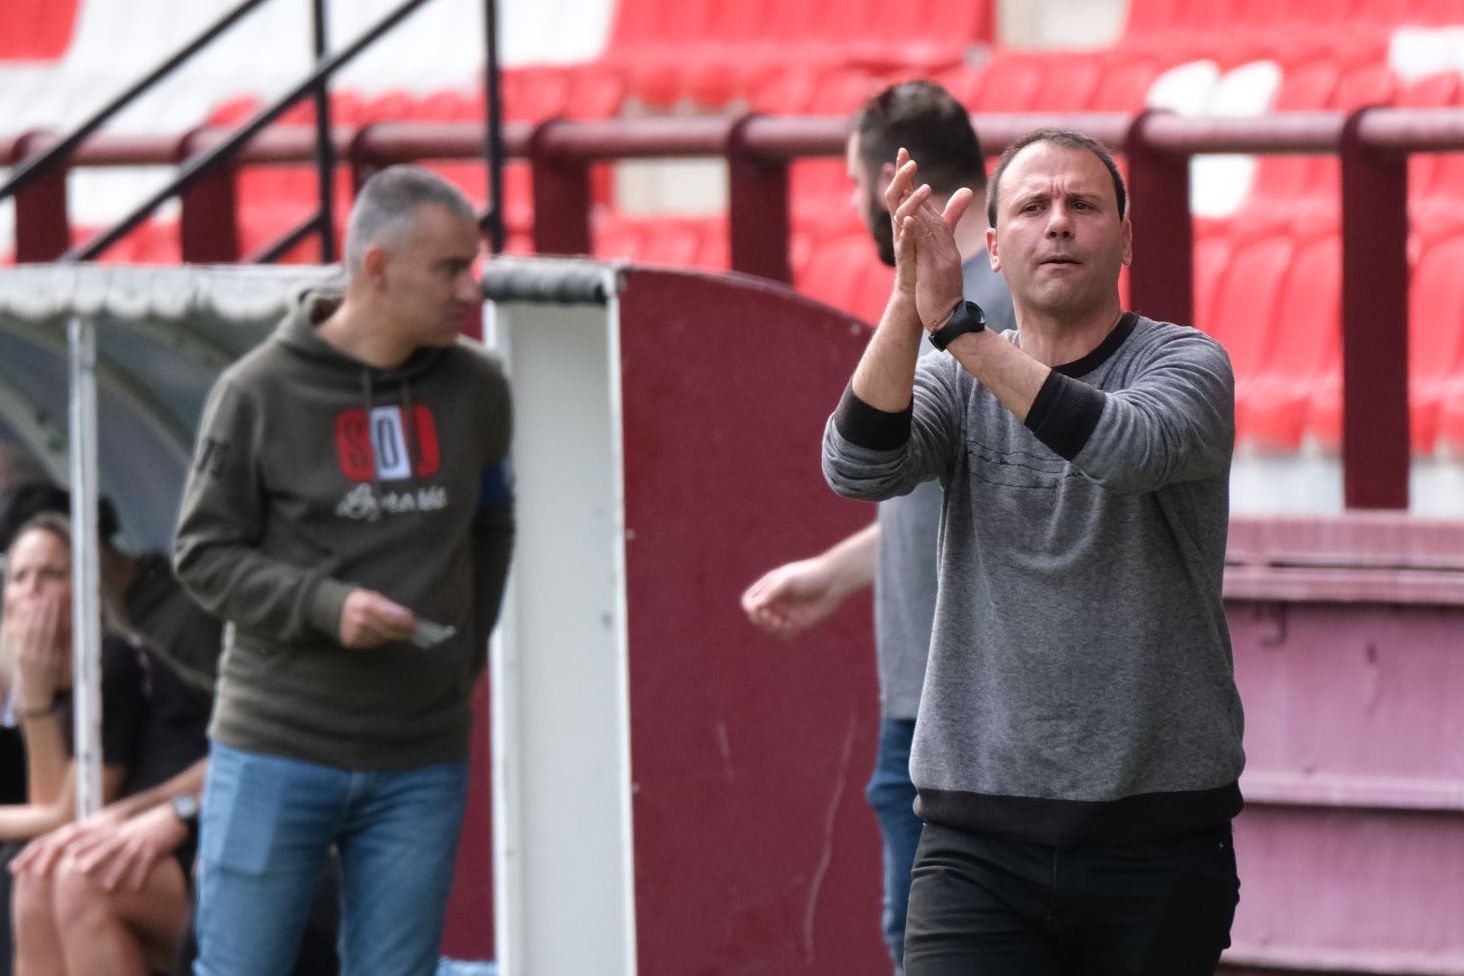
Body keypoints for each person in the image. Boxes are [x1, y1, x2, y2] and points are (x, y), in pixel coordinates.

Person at [821, 127, 1244, 975]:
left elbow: (1122, 449)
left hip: (1155, 835)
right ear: (991, 245)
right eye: (1032, 206)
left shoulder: (1187, 364)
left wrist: (964, 334)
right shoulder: (947, 374)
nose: (1057, 224)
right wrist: (911, 298)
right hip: (975, 841)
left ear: (1126, 239)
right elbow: (855, 466)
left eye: (1083, 205)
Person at [172, 164, 515, 975]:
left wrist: (463, 658)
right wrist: (328, 606)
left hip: (421, 756)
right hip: (277, 744)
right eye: (449, 268)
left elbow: (493, 523)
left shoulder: (479, 385)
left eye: (471, 264)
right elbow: (202, 554)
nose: (470, 286)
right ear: (376, 267)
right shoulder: (255, 391)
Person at [740, 80, 1014, 974]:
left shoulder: (977, 317)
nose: (850, 204)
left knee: (934, 947)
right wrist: (835, 571)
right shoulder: (961, 309)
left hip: (967, 712)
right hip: (927, 700)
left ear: (896, 184)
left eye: (853, 181)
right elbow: (950, 494)